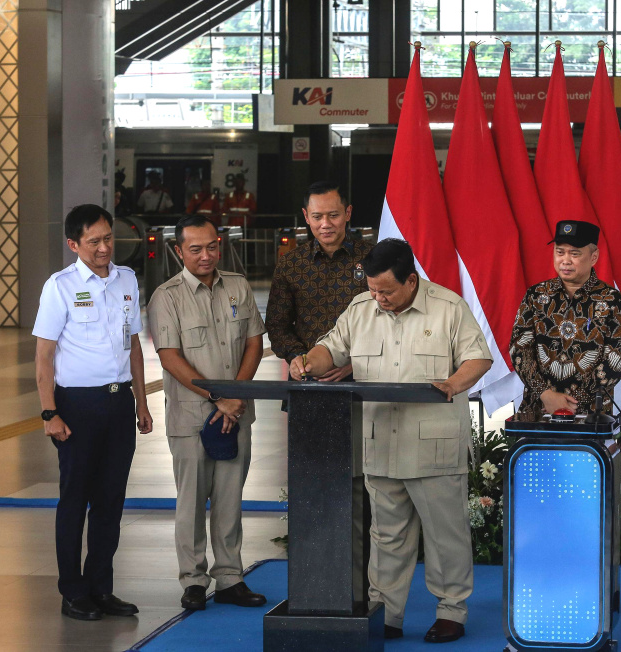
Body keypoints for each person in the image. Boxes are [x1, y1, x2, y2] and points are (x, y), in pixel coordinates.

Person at [289, 239, 492, 644]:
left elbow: (478, 357)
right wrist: (308, 361)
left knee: (445, 534)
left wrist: (452, 383)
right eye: (372, 289)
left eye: (386, 291)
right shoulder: (361, 309)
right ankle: (387, 612)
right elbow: (332, 346)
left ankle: (451, 610)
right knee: (386, 537)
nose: (377, 298)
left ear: (412, 281)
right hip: (381, 441)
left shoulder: (449, 307)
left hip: (433, 445)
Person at [32, 204, 153, 621]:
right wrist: (50, 414)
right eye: (94, 241)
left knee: (110, 501)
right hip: (77, 406)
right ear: (73, 244)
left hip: (119, 404)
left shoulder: (127, 280)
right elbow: (44, 357)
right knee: (75, 499)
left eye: (108, 238)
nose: (104, 248)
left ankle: (102, 587)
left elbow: (133, 345)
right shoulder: (59, 287)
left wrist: (141, 400)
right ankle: (73, 592)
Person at [147, 214, 267, 611]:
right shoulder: (167, 296)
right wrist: (219, 398)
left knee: (231, 500)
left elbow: (253, 343)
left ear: (221, 244)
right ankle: (194, 581)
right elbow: (169, 358)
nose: (205, 255)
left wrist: (236, 396)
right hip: (191, 416)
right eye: (195, 249)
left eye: (212, 246)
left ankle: (230, 578)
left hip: (236, 412)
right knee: (191, 502)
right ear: (179, 251)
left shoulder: (238, 286)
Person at [510, 219, 621, 420]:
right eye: (560, 252)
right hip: (539, 409)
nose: (565, 260)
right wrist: (546, 394)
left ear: (594, 257)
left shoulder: (613, 301)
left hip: (591, 413)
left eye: (574, 254)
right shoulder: (536, 296)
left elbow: (616, 359)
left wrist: (572, 402)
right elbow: (519, 349)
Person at [266, 180, 373, 383]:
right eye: (317, 217)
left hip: (363, 375)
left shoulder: (372, 259)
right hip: (306, 377)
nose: (326, 224)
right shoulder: (291, 263)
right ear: (306, 216)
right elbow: (277, 324)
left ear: (348, 213)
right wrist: (298, 359)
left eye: (333, 215)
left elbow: (389, 316)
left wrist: (354, 362)